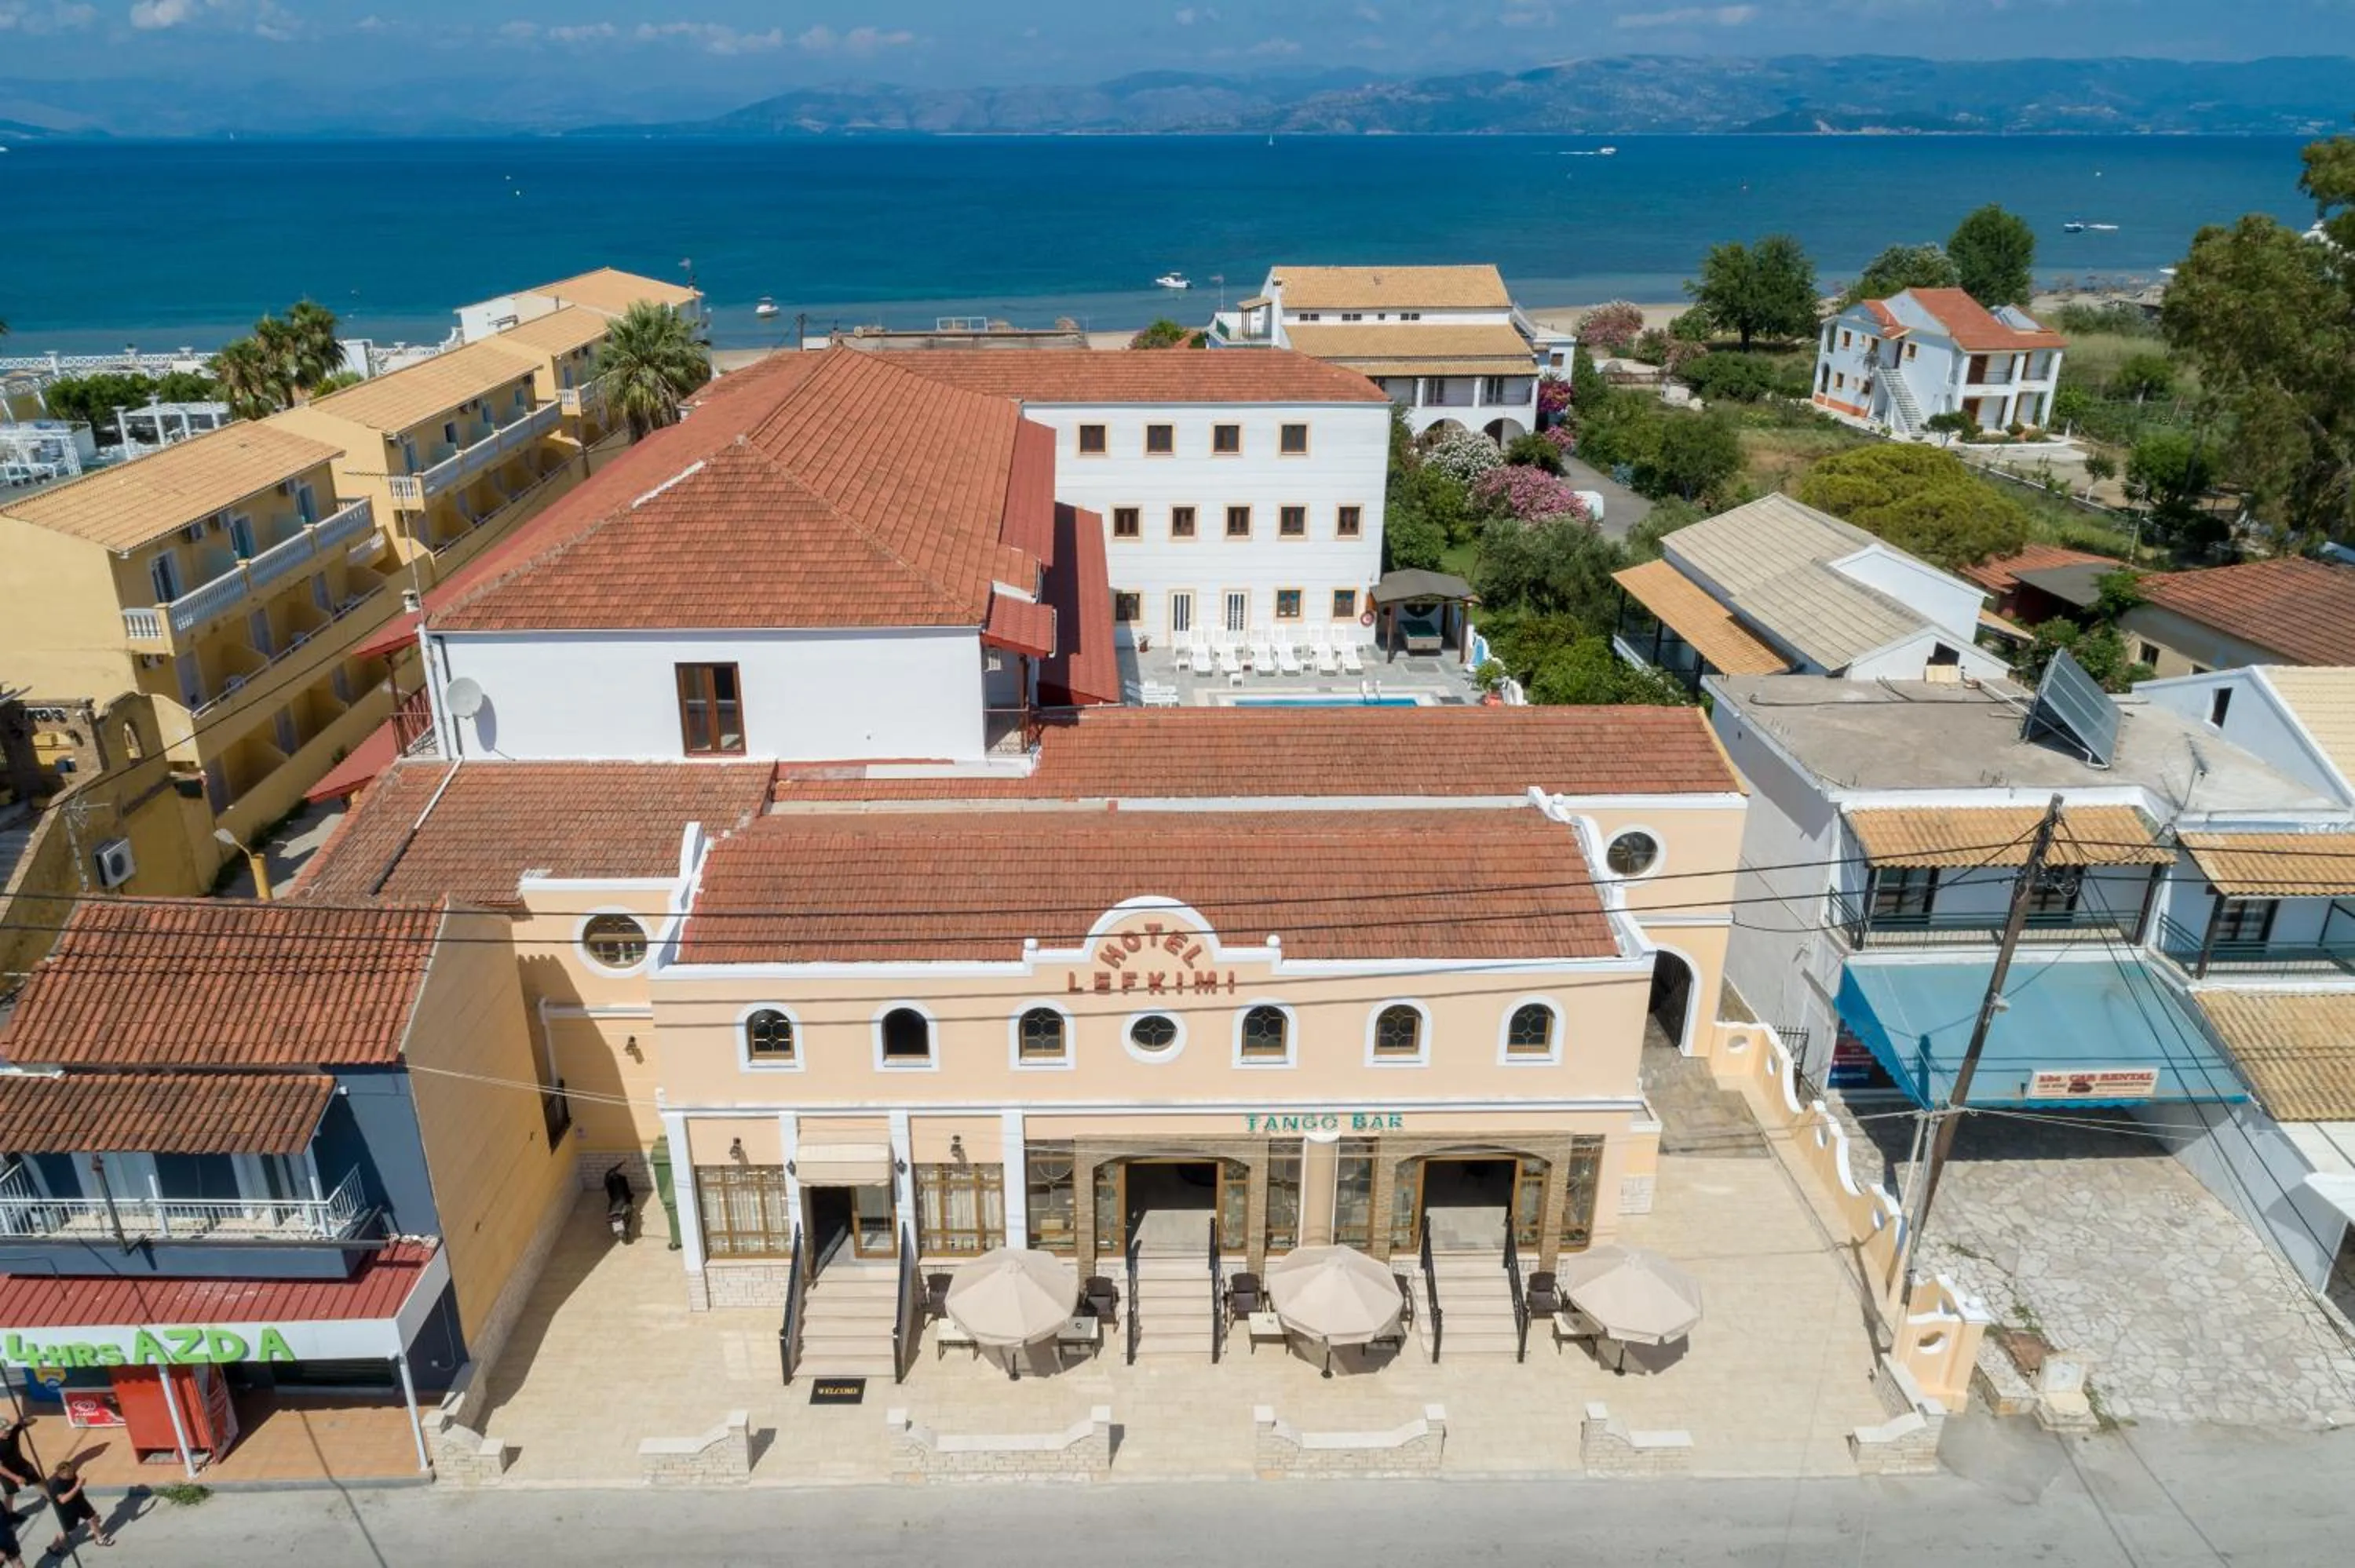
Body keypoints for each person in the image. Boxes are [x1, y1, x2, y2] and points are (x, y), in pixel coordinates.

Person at [43, 1461, 108, 1555]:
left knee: (92, 1518)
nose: (71, 1474)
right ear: (60, 1474)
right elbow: (63, 1500)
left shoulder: (73, 1475)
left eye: (72, 1471)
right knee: (67, 1531)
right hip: (68, 1510)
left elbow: (76, 1484)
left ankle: (99, 1539)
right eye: (68, 1473)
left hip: (80, 1503)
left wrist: (80, 1485)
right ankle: (53, 1547)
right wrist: (78, 1487)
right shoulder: (57, 1486)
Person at [0, 1417, 28, 1517]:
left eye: (9, 1429)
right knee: (10, 1491)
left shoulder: (11, 1433)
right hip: (4, 1470)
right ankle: (7, 1516)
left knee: (11, 1492)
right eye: (6, 1430)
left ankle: (8, 1514)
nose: (9, 1432)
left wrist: (25, 1421)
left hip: (14, 1465)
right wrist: (16, 1478)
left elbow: (31, 1420)